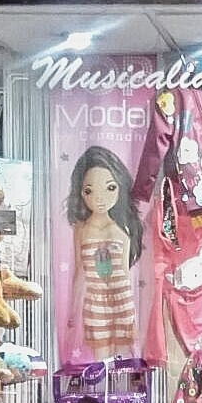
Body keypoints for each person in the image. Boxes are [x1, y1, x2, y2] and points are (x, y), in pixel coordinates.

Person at [66, 146, 143, 360]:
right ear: (80, 192)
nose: (99, 198)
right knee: (100, 361)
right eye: (89, 191)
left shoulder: (122, 228)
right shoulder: (81, 229)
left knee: (123, 361)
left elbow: (125, 274)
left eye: (110, 188)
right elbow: (79, 271)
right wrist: (73, 310)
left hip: (122, 298)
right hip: (95, 301)